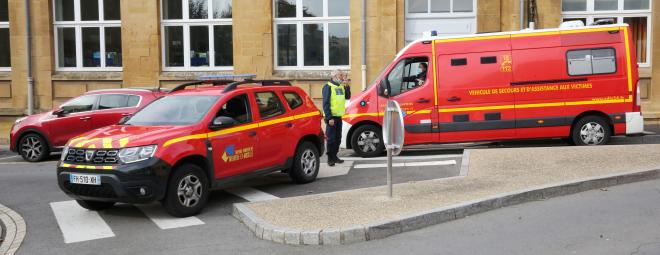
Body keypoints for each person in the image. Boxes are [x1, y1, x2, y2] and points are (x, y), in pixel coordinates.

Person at [322, 70, 351, 167]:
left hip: (338, 116)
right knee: (331, 139)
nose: (342, 77)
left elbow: (347, 96)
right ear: (334, 76)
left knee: (338, 138)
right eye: (340, 75)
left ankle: (335, 156)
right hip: (331, 117)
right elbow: (326, 103)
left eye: (342, 75)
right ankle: (330, 158)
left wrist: (347, 86)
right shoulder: (328, 87)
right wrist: (329, 117)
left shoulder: (341, 86)